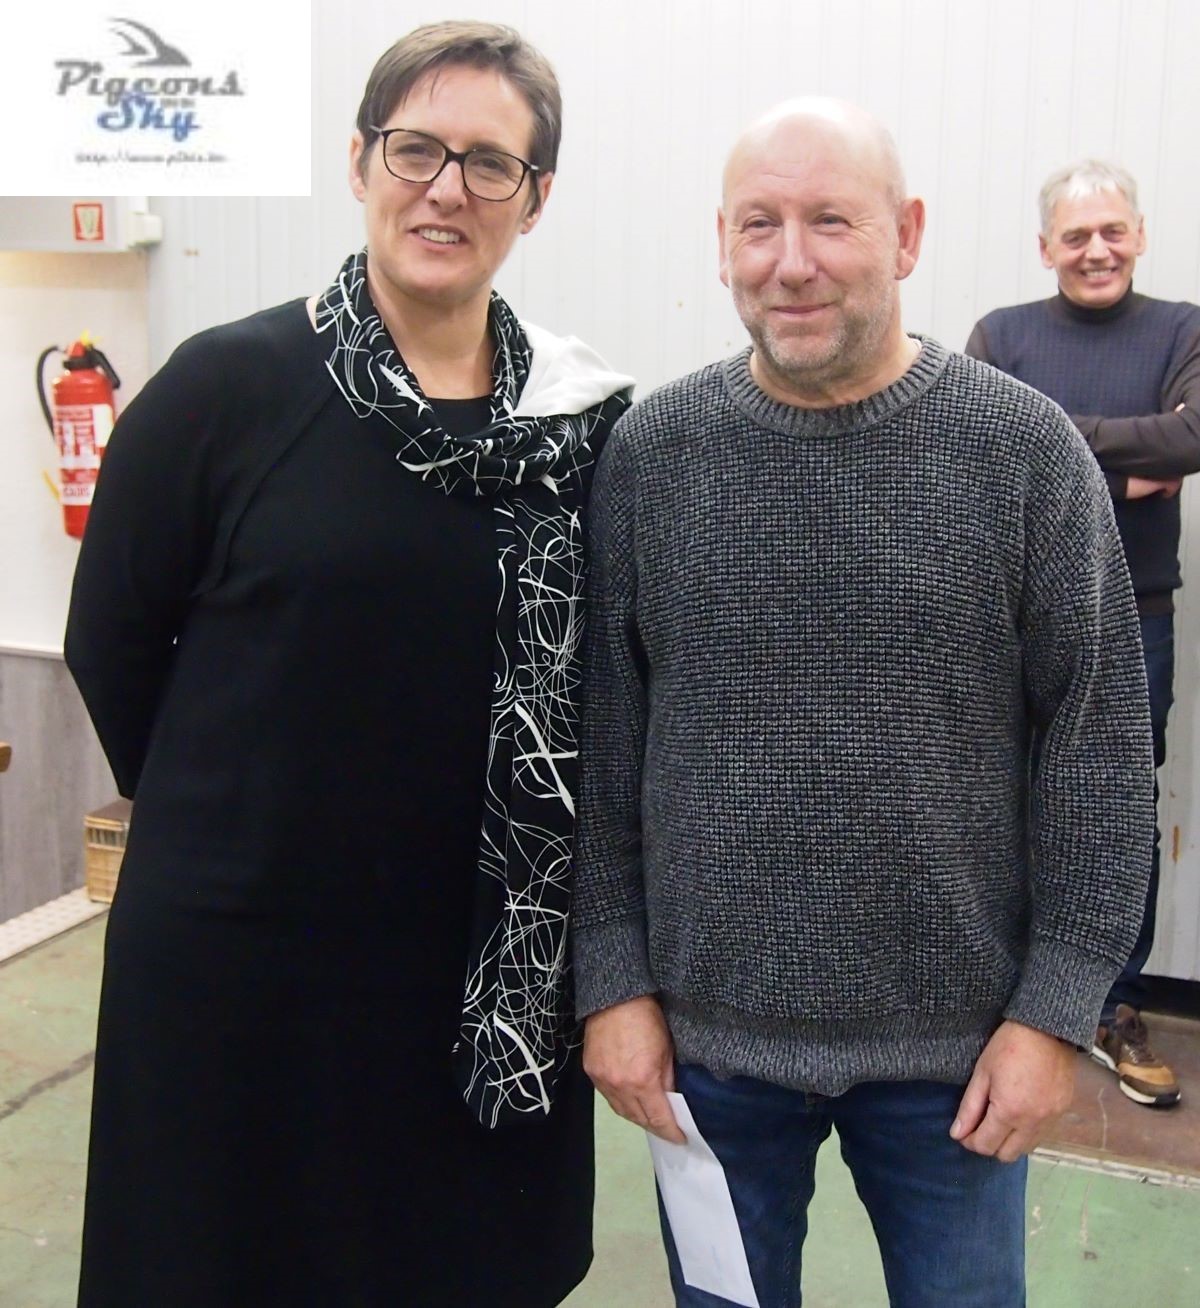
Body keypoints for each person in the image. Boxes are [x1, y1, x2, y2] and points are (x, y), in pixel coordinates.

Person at [66, 21, 631, 1308]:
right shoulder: (229, 389)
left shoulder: (580, 427)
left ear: (536, 198)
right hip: (244, 957)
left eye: (490, 163)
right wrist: (235, 813)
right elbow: (111, 638)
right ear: (362, 162)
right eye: (416, 148)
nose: (447, 188)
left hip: (478, 966)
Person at [571, 98, 1153, 1308]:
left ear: (908, 234)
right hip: (707, 1055)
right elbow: (607, 745)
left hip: (960, 1063)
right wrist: (613, 982)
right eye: (759, 224)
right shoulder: (652, 457)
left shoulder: (1024, 453)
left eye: (831, 221)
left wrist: (1057, 1014)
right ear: (721, 242)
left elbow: (1096, 756)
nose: (792, 262)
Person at [966, 160, 1200, 1108]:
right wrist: (1130, 458)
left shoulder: (1182, 329)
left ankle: (1110, 1003)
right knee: (995, 792)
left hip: (1134, 615)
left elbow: (1192, 442)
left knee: (1117, 808)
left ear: (1139, 235)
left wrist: (1054, 441)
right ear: (1045, 247)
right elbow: (977, 461)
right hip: (1006, 613)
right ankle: (1002, 994)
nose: (1096, 250)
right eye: (1076, 236)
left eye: (1112, 231)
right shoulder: (1002, 336)